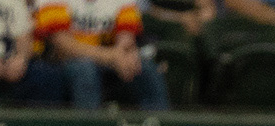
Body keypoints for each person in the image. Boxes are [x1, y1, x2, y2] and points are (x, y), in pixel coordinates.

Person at [35, 0, 173, 109]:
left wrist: (124, 56)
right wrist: (113, 56)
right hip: (64, 62)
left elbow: (126, 36)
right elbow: (63, 45)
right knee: (84, 70)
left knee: (145, 68)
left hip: (111, 60)